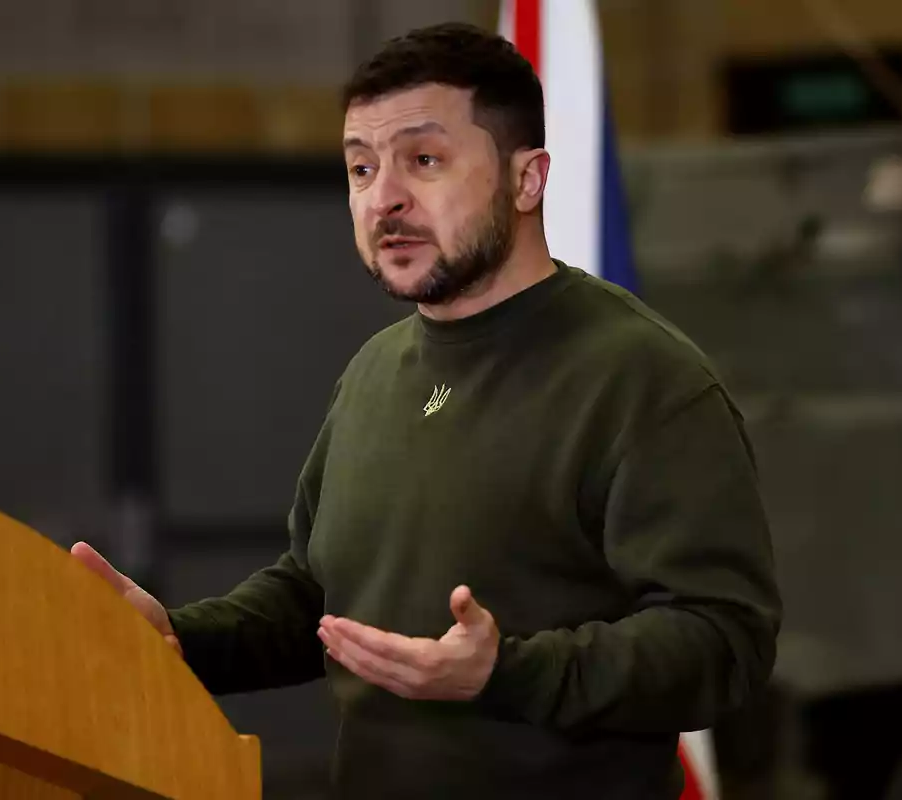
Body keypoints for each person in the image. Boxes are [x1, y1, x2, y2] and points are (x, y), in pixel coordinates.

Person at [72, 21, 781, 800]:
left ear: (528, 181)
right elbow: (318, 594)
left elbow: (725, 643)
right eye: (361, 168)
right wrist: (182, 638)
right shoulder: (374, 373)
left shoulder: (642, 378)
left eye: (425, 160)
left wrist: (504, 672)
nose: (385, 199)